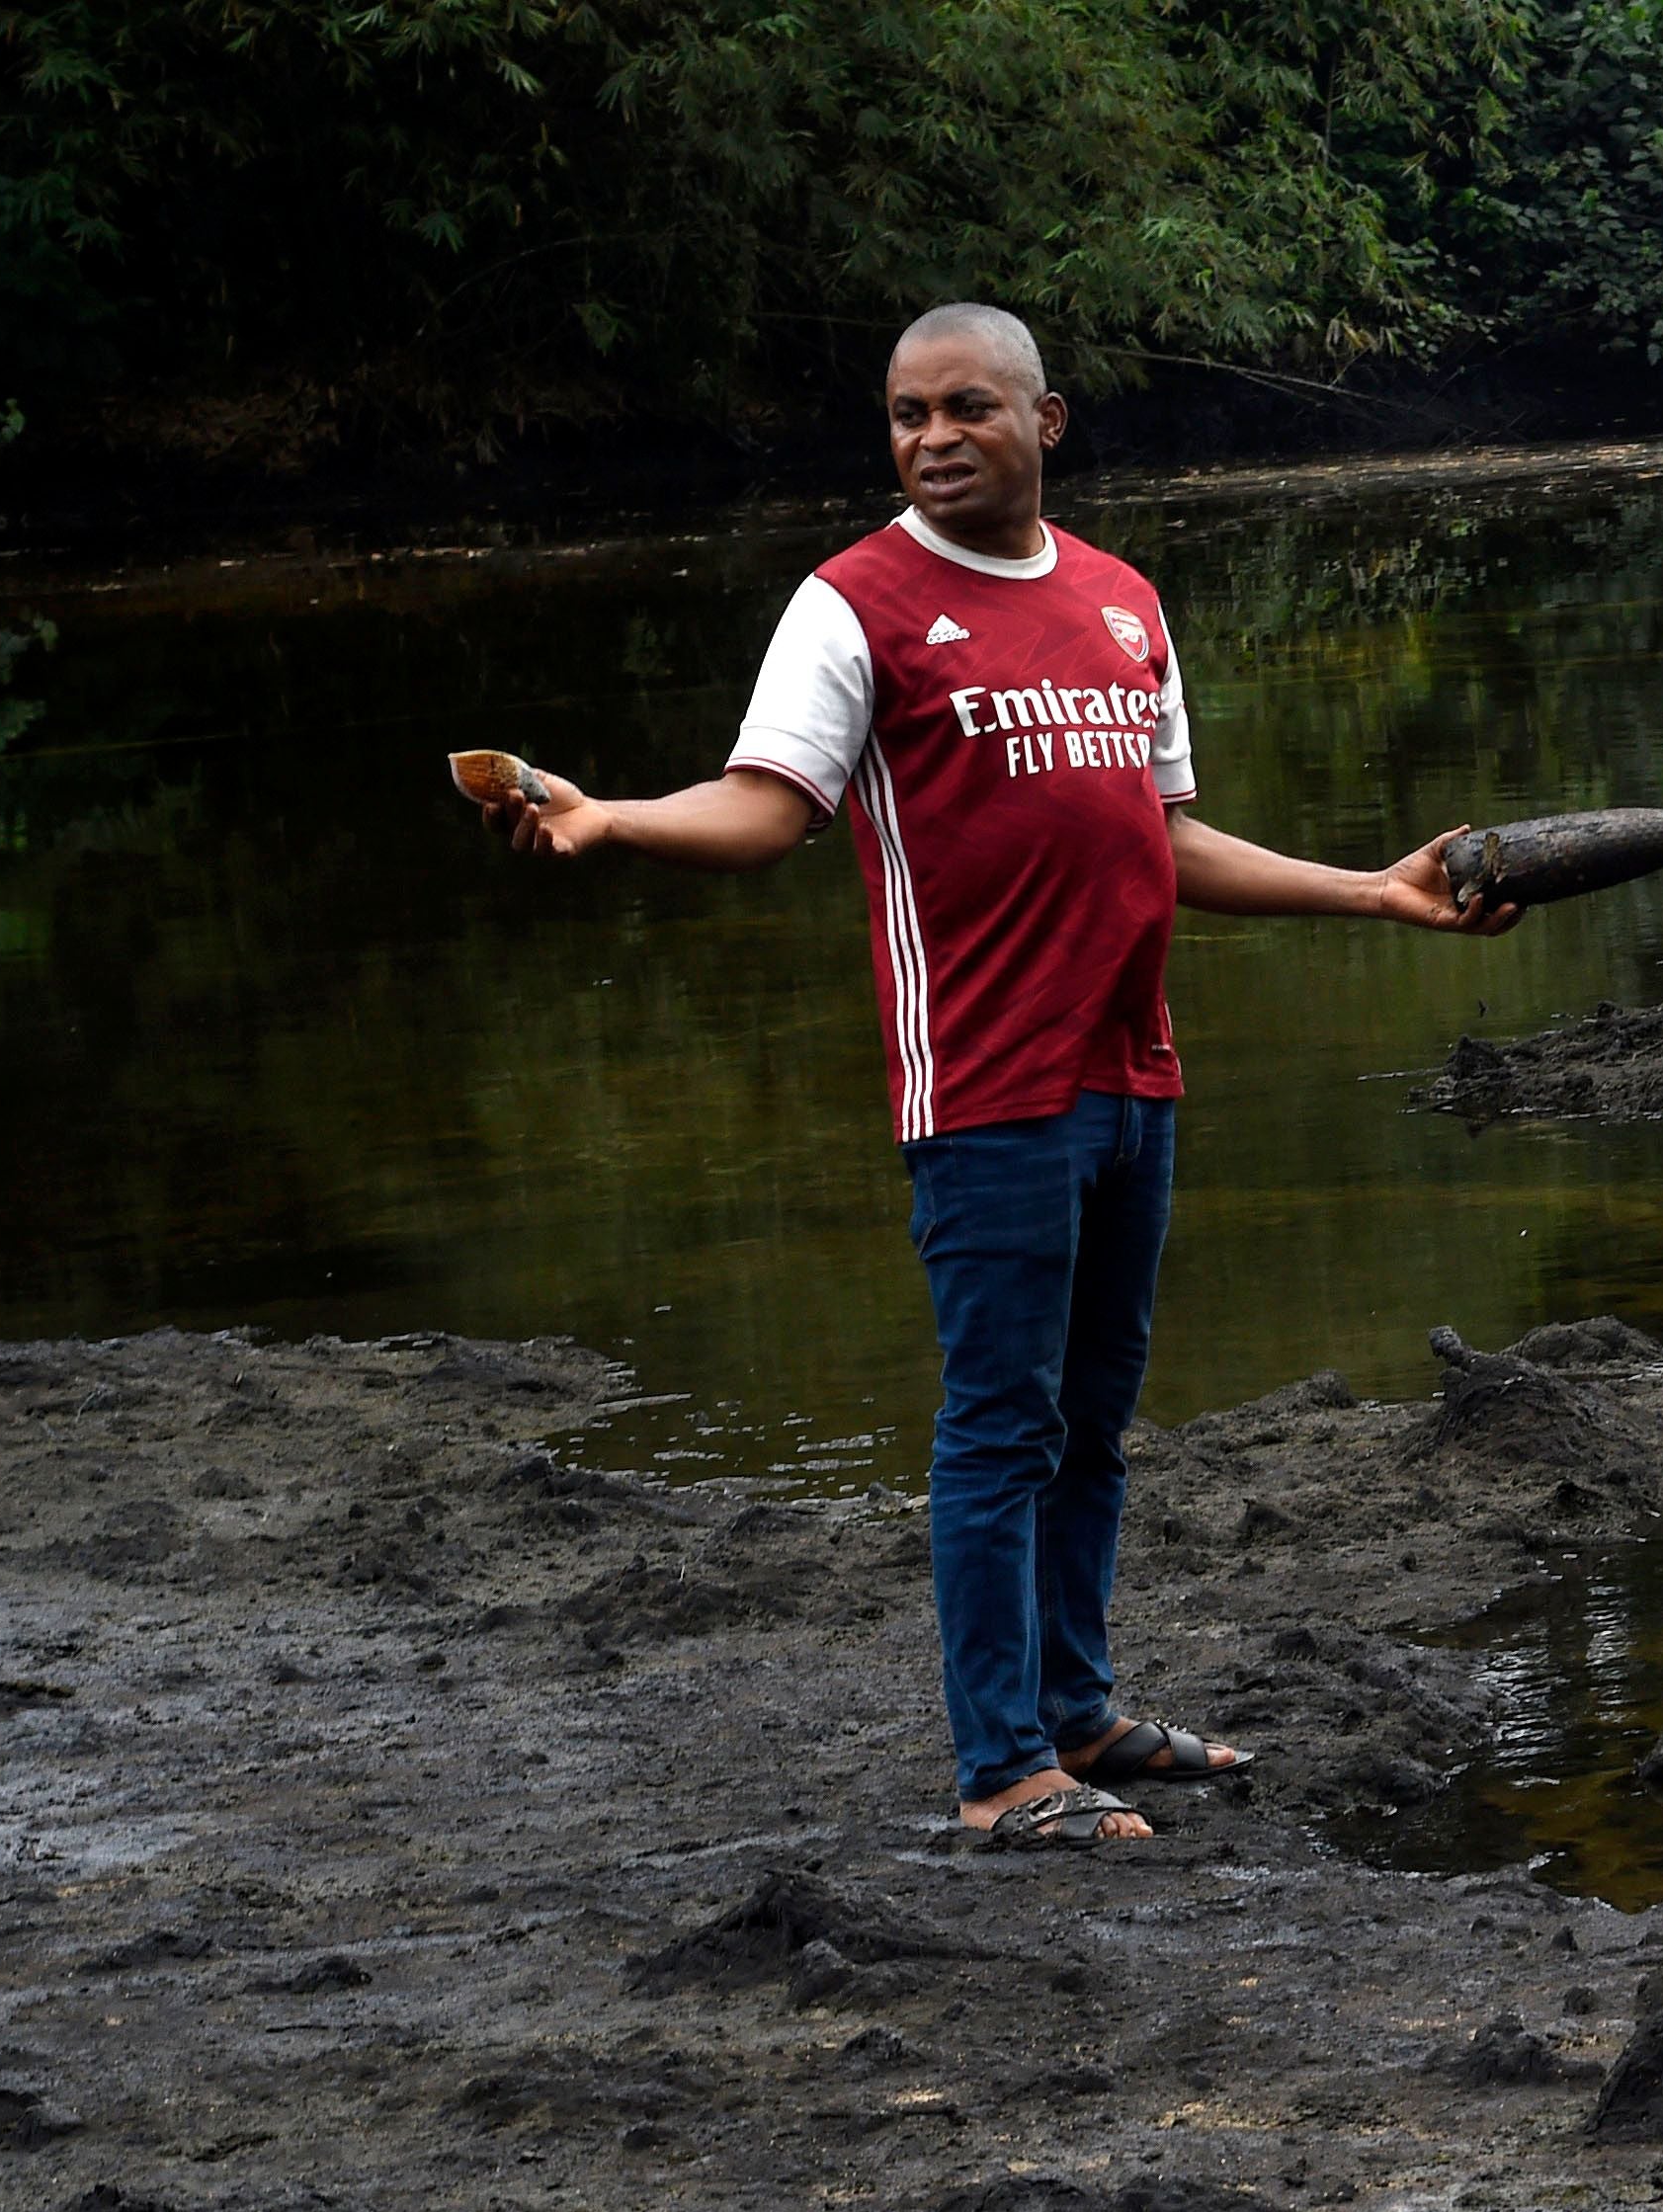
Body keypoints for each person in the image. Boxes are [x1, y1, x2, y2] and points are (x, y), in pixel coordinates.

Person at [480, 302, 1516, 1847]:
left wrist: (1377, 890)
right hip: (984, 1087)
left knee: (1093, 1420)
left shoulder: (1120, 604)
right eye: (906, 415)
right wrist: (612, 816)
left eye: (967, 407)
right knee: (999, 1424)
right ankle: (999, 1768)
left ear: (1049, 421)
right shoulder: (856, 605)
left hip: (1132, 1075)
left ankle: (1079, 1712)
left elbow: (1164, 841)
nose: (934, 438)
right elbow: (769, 807)